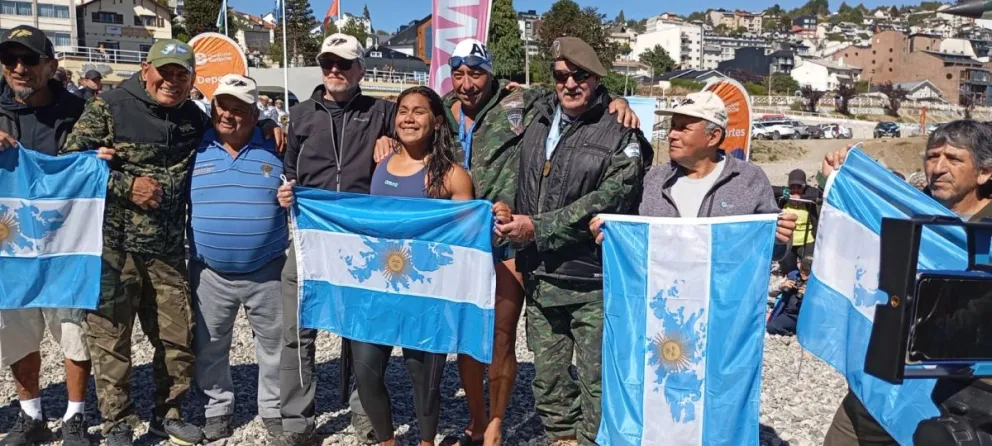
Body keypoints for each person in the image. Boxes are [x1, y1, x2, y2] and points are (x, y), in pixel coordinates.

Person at [376, 38, 639, 446]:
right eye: (459, 74)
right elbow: (410, 121)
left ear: (491, 72)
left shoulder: (523, 102)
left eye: (476, 73)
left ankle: (497, 422)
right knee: (465, 336)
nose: (467, 83)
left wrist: (617, 99)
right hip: (456, 243)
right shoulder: (442, 108)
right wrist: (387, 138)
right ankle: (477, 420)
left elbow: (577, 90)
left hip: (505, 237)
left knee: (501, 335)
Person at [60, 38, 285, 446]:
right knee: (111, 339)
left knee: (176, 338)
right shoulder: (109, 106)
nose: (173, 81)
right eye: (166, 72)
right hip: (114, 248)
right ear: (146, 69)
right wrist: (126, 185)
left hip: (166, 250)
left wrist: (267, 124)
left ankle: (170, 414)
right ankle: (118, 424)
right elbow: (70, 164)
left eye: (183, 75)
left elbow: (233, 125)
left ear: (192, 80)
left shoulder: (194, 120)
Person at [279, 86, 477, 446]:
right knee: (367, 375)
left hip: (426, 296)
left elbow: (466, 246)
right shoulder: (379, 162)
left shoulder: (453, 176)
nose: (409, 118)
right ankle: (387, 441)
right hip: (375, 292)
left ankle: (425, 442)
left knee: (424, 382)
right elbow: (344, 205)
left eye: (419, 111)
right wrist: (298, 198)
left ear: (436, 122)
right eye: (403, 110)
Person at [495, 37, 652, 446]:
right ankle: (561, 438)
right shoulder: (539, 116)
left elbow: (608, 200)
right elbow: (519, 170)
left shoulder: (622, 131)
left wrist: (538, 228)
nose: (569, 84)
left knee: (598, 381)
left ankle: (591, 441)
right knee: (548, 380)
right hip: (540, 276)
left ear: (597, 79)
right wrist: (506, 206)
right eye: (561, 75)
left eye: (579, 75)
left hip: (591, 282)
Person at [819, 120, 992, 446]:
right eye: (931, 157)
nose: (938, 168)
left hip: (952, 396)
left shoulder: (989, 233)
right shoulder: (903, 209)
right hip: (876, 386)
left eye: (954, 159)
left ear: (984, 173)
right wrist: (837, 180)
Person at [276, 33, 398, 446]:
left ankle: (365, 414)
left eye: (344, 64)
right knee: (298, 327)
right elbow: (288, 171)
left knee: (363, 329)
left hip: (363, 240)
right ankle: (296, 419)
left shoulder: (384, 112)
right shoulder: (301, 115)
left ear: (361, 69)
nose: (335, 70)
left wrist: (397, 143)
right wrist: (284, 190)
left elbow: (433, 124)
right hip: (311, 235)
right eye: (328, 62)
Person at [0, 25, 90, 446]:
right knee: (16, 331)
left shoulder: (79, 111)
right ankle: (30, 414)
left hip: (63, 245)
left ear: (50, 65)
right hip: (10, 247)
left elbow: (109, 151)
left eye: (30, 60)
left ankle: (75, 415)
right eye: (10, 60)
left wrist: (99, 158)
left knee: (72, 330)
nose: (20, 68)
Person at [189, 74, 288, 442]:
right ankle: (217, 407)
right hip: (209, 271)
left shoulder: (276, 146)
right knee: (211, 345)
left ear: (255, 110)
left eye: (240, 109)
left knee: (275, 345)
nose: (230, 115)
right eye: (223, 106)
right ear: (214, 108)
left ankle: (273, 409)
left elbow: (299, 188)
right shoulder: (194, 145)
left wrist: (272, 124)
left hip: (268, 268)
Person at [778, 169, 821, 273]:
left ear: (804, 186)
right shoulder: (784, 197)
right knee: (789, 269)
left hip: (807, 241)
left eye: (799, 186)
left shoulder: (809, 195)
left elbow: (819, 194)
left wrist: (800, 197)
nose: (796, 189)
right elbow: (768, 190)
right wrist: (786, 194)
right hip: (788, 241)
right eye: (793, 186)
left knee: (808, 266)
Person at [767, 255, 812, 336]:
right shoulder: (793, 276)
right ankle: (790, 334)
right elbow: (770, 292)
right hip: (788, 315)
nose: (803, 274)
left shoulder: (818, 284)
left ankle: (797, 334)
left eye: (807, 271)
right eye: (802, 270)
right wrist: (782, 286)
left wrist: (808, 296)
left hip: (806, 317)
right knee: (771, 327)